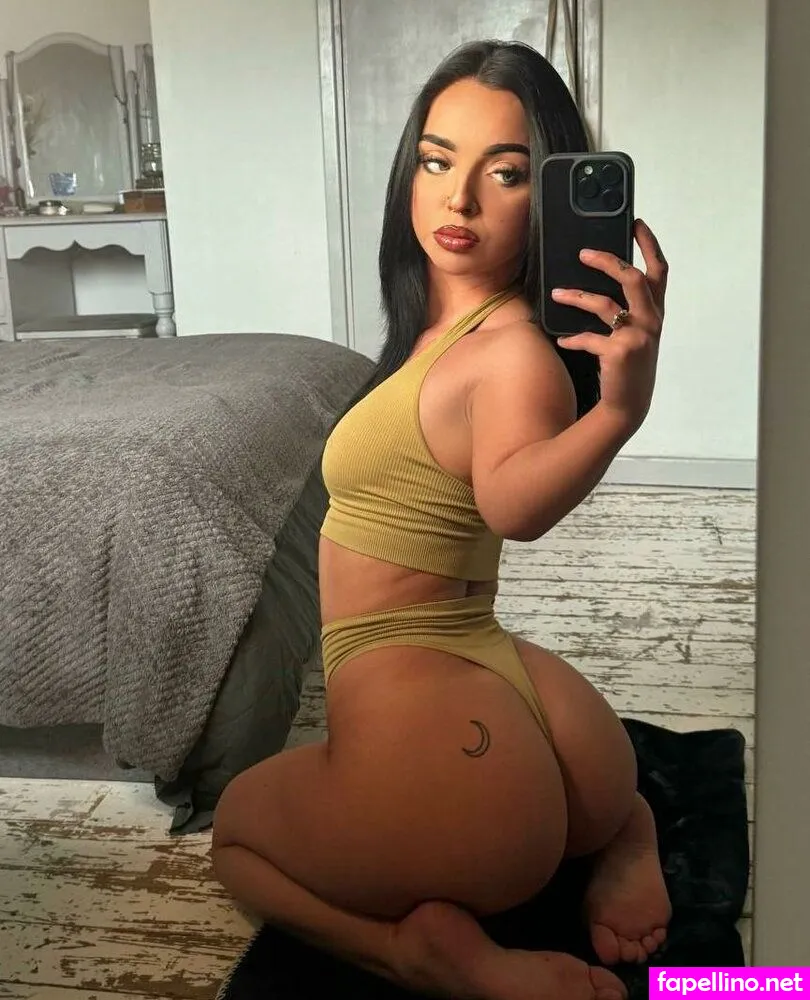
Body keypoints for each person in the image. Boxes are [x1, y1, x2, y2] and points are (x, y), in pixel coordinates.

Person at [212, 39, 671, 1000]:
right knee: (602, 796)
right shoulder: (447, 328)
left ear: (544, 196)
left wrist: (619, 414)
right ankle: (620, 824)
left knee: (237, 836)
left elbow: (513, 505)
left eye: (504, 174)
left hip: (460, 762)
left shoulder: (510, 353)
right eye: (436, 160)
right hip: (532, 708)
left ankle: (417, 955)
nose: (457, 199)